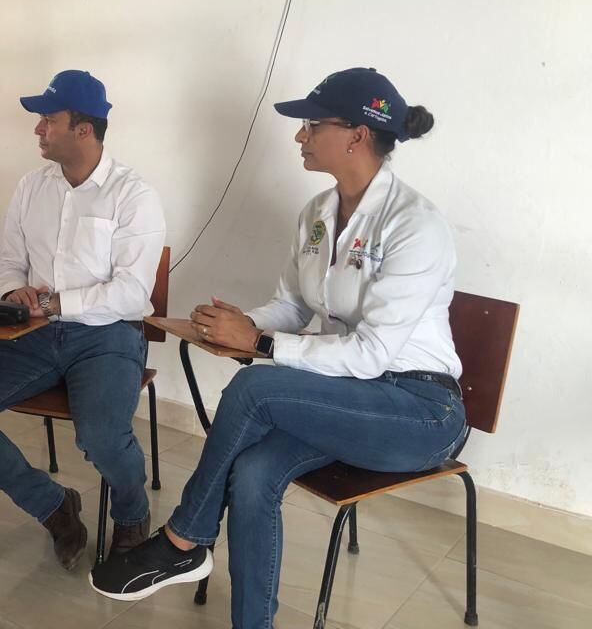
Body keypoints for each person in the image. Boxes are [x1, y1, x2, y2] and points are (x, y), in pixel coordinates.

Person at [90, 67, 467, 629]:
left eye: (312, 125)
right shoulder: (317, 214)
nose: (299, 136)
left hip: (420, 410)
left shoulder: (416, 226)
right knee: (253, 473)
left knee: (255, 385)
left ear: (358, 135)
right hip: (345, 394)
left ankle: (184, 540)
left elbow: (370, 353)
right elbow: (292, 306)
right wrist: (237, 324)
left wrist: (260, 344)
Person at [0, 70, 166, 570]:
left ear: (83, 129)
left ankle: (131, 512)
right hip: (34, 333)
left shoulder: (133, 195)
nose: (38, 129)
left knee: (101, 437)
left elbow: (131, 293)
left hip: (107, 334)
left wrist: (57, 304)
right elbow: (10, 259)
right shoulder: (32, 186)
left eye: (48, 119)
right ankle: (54, 506)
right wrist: (13, 289)